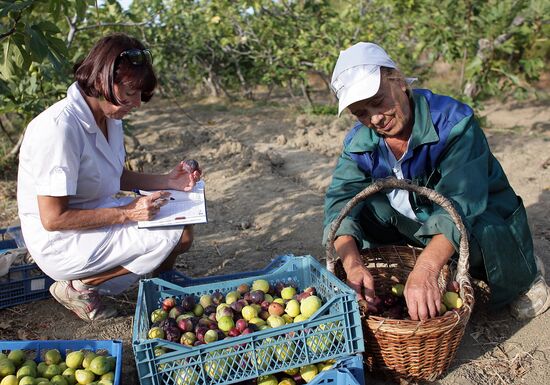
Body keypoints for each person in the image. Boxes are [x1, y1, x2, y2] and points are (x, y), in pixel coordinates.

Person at [323, 42, 549, 321]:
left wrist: (427, 268)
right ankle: (428, 261)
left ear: (399, 81)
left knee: (482, 235)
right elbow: (341, 201)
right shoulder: (359, 142)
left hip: (480, 215)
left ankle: (524, 272)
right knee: (363, 209)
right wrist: (353, 263)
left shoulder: (453, 124)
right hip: (419, 221)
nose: (376, 118)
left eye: (378, 101)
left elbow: (462, 202)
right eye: (360, 112)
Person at [17, 33, 202, 322]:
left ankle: (163, 284)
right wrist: (129, 213)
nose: (137, 103)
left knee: (181, 224)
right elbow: (53, 219)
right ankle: (80, 287)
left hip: (94, 214)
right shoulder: (59, 129)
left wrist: (169, 181)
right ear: (104, 82)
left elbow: (114, 176)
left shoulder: (108, 117)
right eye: (130, 93)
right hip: (62, 239)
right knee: (168, 233)